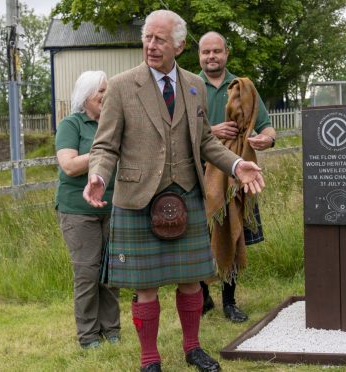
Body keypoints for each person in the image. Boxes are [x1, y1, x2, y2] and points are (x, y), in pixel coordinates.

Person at [82, 10, 264, 372]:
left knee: (191, 281)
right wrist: (98, 174)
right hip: (137, 198)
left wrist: (235, 164)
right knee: (145, 286)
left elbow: (206, 142)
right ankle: (150, 359)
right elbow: (104, 146)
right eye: (147, 37)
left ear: (179, 45)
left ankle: (193, 348)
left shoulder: (194, 85)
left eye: (159, 39)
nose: (150, 45)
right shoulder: (121, 85)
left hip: (186, 195)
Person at [197, 32, 276, 323]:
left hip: (235, 179)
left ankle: (229, 301)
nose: (211, 57)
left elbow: (267, 128)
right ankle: (202, 296)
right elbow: (178, 135)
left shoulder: (244, 87)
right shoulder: (190, 87)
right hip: (199, 176)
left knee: (233, 234)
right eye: (206, 52)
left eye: (217, 51)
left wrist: (266, 141)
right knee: (201, 238)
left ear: (226, 53)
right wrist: (212, 132)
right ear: (199, 55)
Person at [55, 70, 121, 349]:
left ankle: (112, 330)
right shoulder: (72, 124)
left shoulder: (113, 123)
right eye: (101, 91)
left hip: (113, 206)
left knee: (111, 271)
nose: (106, 96)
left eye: (108, 90)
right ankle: (88, 336)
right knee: (87, 273)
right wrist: (102, 147)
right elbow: (69, 166)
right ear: (86, 96)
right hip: (77, 210)